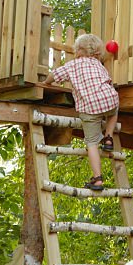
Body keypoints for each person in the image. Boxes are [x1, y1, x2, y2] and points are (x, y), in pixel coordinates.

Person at [44, 32, 119, 191]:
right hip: (108, 99)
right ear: (96, 53)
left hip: (89, 108)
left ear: (78, 51)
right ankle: (108, 138)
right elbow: (108, 80)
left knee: (91, 143)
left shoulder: (72, 65)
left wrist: (45, 83)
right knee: (113, 111)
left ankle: (98, 179)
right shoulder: (98, 64)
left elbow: (54, 75)